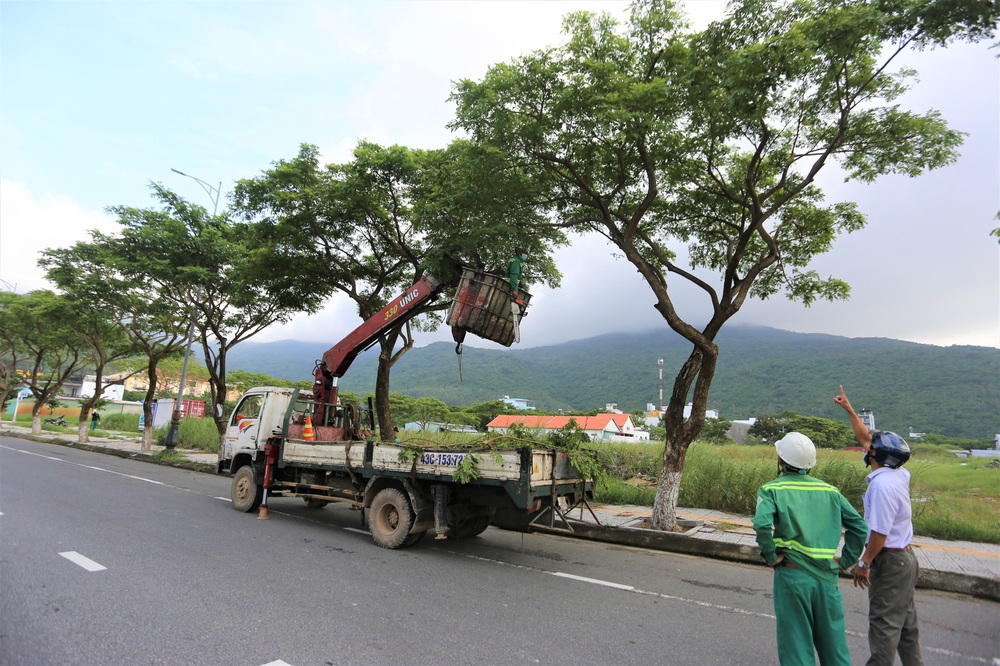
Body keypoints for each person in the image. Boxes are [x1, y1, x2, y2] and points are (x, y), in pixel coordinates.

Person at [752, 431, 868, 666]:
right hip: (827, 580)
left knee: (796, 648)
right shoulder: (831, 492)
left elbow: (762, 525)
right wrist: (844, 562)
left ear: (781, 460)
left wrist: (770, 555)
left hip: (792, 576)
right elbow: (860, 528)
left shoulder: (772, 489)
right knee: (835, 649)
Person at [834, 386, 923, 666]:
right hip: (906, 560)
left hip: (890, 560)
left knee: (884, 626)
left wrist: (865, 562)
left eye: (871, 447)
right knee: (907, 627)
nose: (867, 446)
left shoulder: (881, 487)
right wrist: (849, 409)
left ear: (875, 456)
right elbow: (865, 437)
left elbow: (880, 533)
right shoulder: (898, 472)